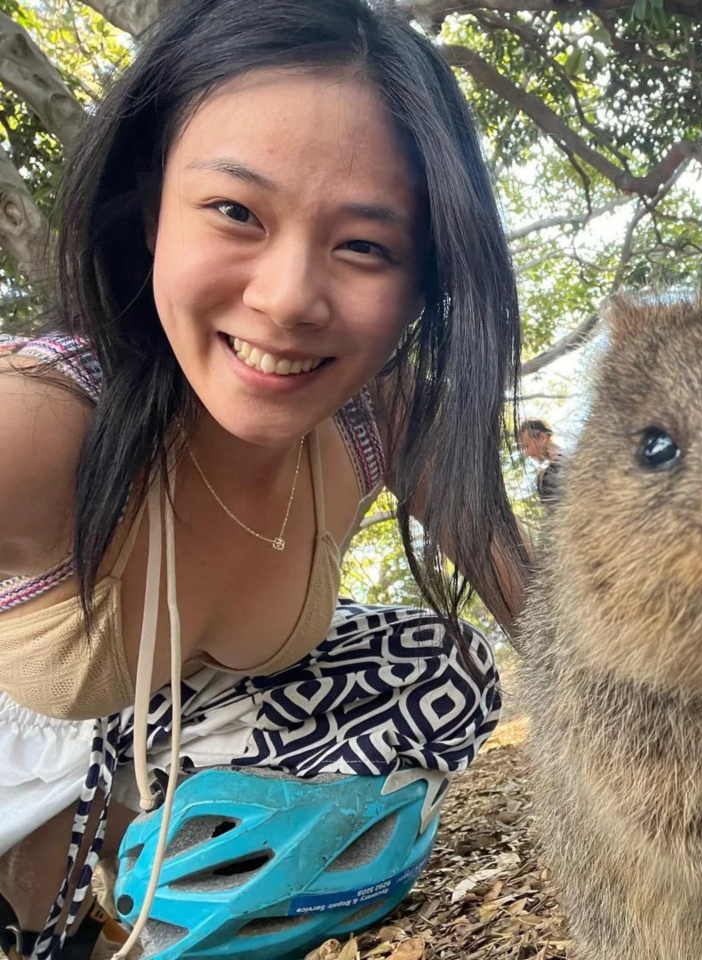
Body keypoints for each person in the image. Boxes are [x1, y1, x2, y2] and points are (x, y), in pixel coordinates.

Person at [0, 0, 529, 956]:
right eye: (236, 211)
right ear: (151, 208)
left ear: (426, 283)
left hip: (186, 774)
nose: (287, 300)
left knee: (436, 657)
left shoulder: (384, 416)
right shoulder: (37, 422)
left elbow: (542, 608)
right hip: (30, 808)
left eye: (364, 245)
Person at [517, 419, 563, 503]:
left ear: (542, 437)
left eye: (527, 446)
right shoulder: (542, 480)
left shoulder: (578, 461)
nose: (527, 453)